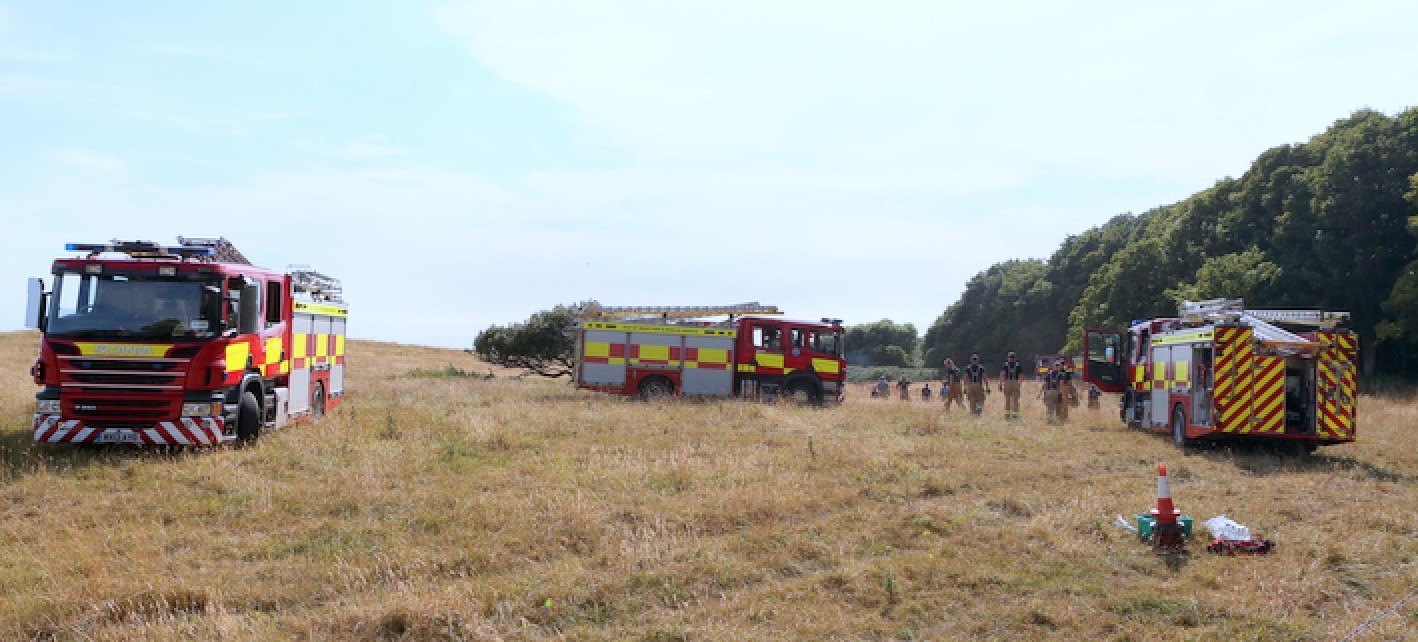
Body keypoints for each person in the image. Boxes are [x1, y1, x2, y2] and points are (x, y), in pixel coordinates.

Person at [1040, 359, 1068, 423]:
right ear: (1059, 366)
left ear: (1053, 366)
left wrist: (1044, 392)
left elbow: (1045, 384)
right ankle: (1058, 419)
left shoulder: (1048, 374)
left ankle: (1049, 420)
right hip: (1056, 392)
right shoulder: (1061, 374)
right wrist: (1062, 393)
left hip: (1049, 392)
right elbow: (1061, 384)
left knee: (1050, 407)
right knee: (1058, 406)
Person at [999, 351, 1025, 420]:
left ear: (1008, 358)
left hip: (1007, 382)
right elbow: (1021, 376)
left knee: (1007, 399)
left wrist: (1001, 384)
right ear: (1015, 358)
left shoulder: (1005, 365)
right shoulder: (1018, 365)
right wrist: (1019, 384)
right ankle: (1015, 415)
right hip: (1015, 382)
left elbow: (1002, 374)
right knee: (1015, 400)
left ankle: (1007, 416)